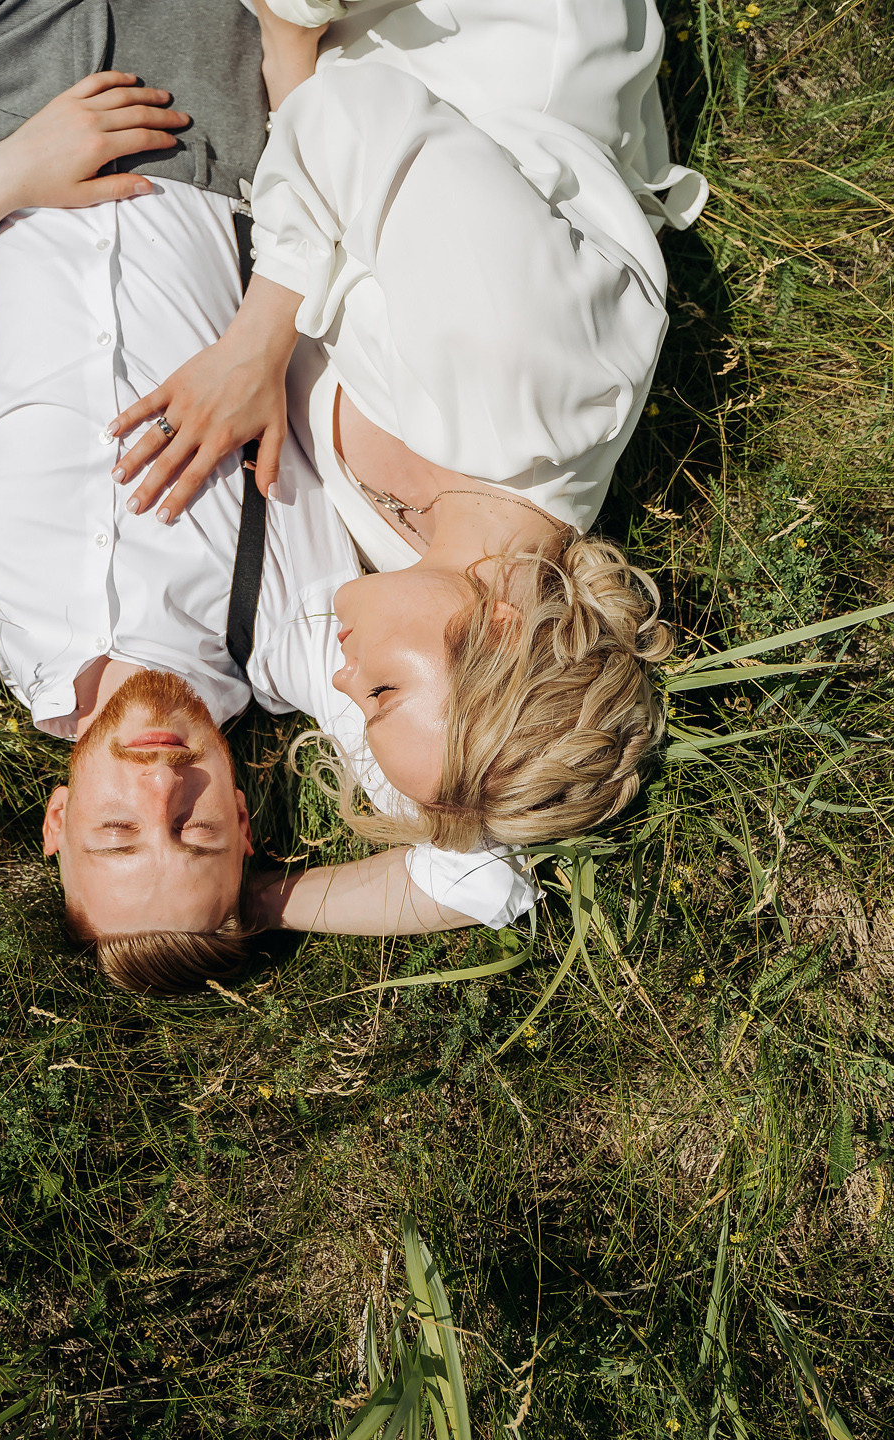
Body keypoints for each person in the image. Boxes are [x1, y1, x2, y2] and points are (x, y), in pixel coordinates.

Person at [0, 5, 537, 992]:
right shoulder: (297, 644)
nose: (160, 787)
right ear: (244, 824)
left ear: (57, 823)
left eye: (117, 832)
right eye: (197, 832)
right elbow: (481, 877)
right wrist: (265, 903)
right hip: (209, 119)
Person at [108, 0, 705, 854]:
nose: (344, 677)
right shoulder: (536, 380)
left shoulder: (415, 552)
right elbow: (363, 118)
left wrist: (289, 58)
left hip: (324, 67)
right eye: (382, 692)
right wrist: (255, 347)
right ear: (497, 627)